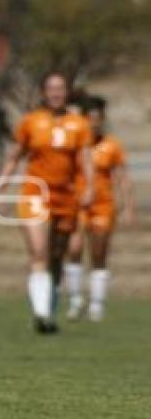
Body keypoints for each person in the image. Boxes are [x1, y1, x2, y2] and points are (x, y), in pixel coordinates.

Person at [0, 72, 94, 334]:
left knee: (56, 256)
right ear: (43, 92)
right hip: (35, 193)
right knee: (39, 251)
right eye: (51, 88)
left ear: (67, 92)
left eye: (60, 88)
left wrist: (90, 188)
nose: (56, 93)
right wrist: (2, 184)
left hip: (66, 197)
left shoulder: (80, 124)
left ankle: (48, 312)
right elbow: (14, 155)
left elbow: (85, 159)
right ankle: (40, 313)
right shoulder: (31, 121)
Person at [64, 95, 134, 322]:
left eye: (98, 118)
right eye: (89, 118)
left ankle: (97, 304)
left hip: (103, 206)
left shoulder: (112, 145)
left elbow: (122, 177)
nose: (94, 123)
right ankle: (75, 300)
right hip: (78, 204)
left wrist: (127, 207)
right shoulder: (74, 144)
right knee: (73, 249)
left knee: (98, 254)